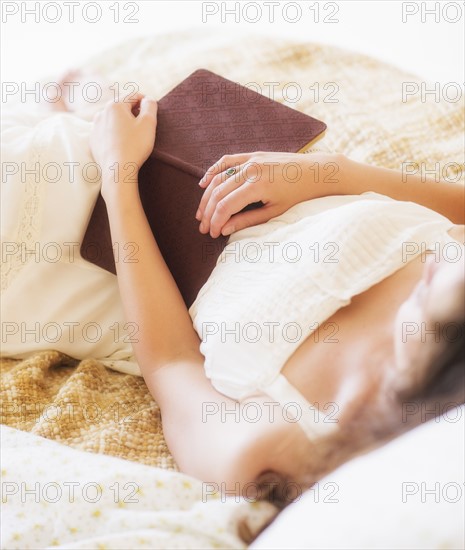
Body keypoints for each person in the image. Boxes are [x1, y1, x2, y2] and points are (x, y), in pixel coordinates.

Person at [2, 87, 464, 504]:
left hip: (98, 257)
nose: (439, 259)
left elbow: (171, 363)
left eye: (426, 297)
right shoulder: (453, 280)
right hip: (181, 168)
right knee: (65, 126)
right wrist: (326, 173)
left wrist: (118, 176)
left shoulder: (274, 449)